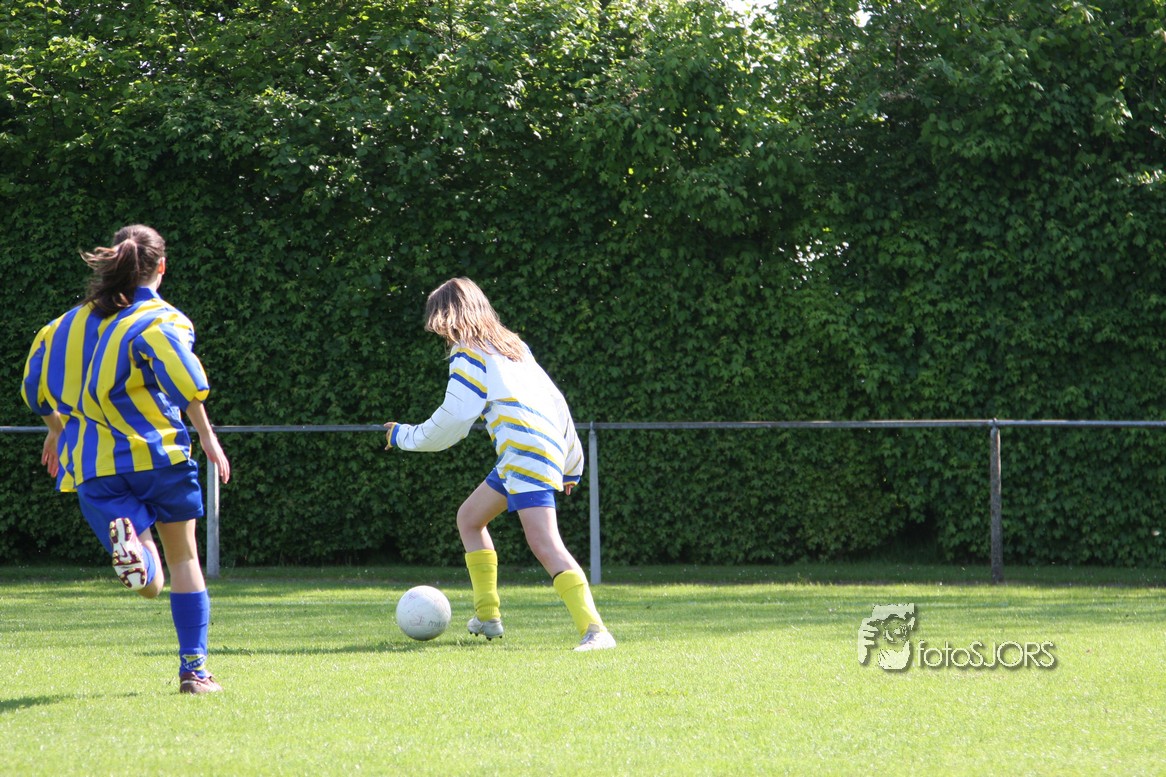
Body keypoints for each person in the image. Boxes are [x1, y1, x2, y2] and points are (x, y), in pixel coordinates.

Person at [20, 224, 231, 694]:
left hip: (94, 465)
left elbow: (33, 390)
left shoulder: (61, 327)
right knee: (185, 558)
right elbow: (185, 379)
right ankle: (194, 672)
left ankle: (137, 556)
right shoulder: (159, 319)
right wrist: (208, 437)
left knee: (150, 582)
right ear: (161, 266)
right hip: (159, 456)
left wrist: (57, 430)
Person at [384, 277, 615, 651]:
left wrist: (403, 436)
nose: (438, 331)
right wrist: (571, 462)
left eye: (438, 321)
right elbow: (556, 402)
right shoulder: (513, 347)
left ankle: (596, 631)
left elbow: (454, 418)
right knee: (469, 518)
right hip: (531, 452)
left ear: (449, 316)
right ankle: (487, 616)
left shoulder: (468, 353)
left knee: (545, 542)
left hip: (524, 453)